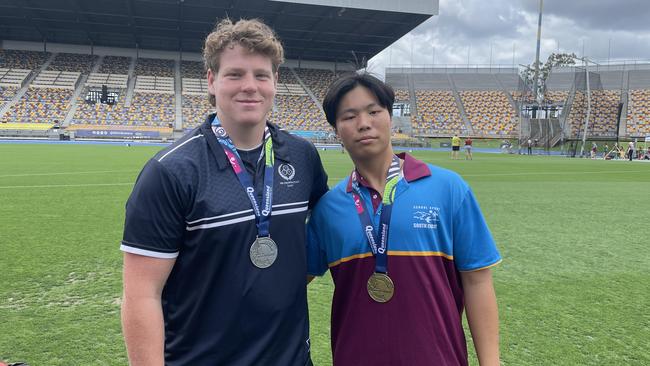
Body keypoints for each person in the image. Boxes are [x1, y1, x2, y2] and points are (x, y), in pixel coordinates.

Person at [120, 18, 328, 365]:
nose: (250, 86)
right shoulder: (171, 171)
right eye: (235, 74)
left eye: (261, 75)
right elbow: (142, 295)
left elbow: (327, 231)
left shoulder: (302, 157)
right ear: (212, 81)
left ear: (276, 81)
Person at [307, 73, 501, 366]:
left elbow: (477, 281)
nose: (364, 123)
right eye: (349, 116)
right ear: (336, 131)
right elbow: (289, 282)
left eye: (374, 112)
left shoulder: (449, 188)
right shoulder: (328, 208)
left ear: (390, 118)